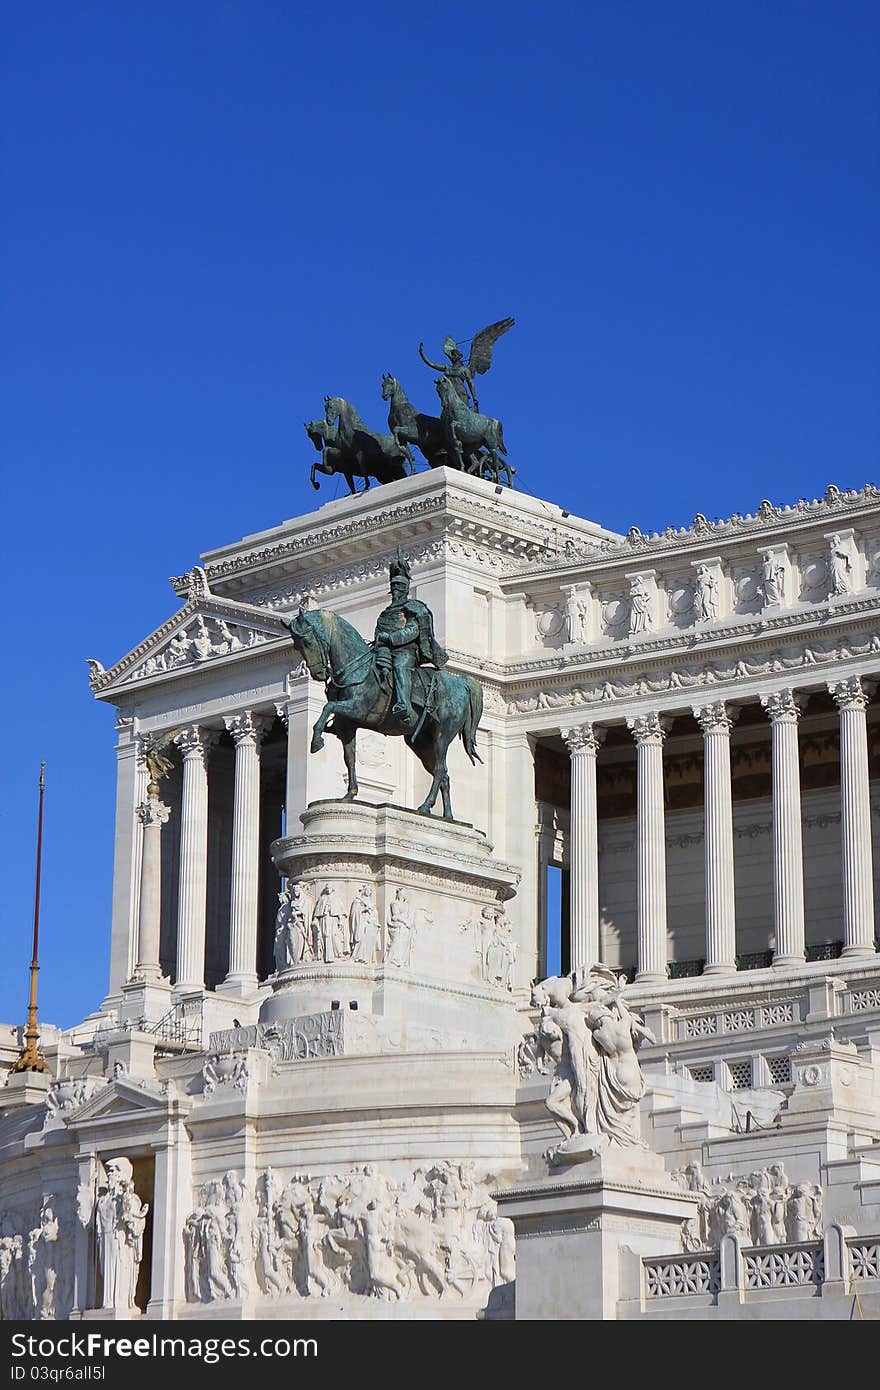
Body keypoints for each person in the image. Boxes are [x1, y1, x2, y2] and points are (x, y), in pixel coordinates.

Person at [373, 547, 447, 730]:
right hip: (385, 651)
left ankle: (403, 703)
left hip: (406, 652)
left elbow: (412, 631)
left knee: (399, 667)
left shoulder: (414, 607)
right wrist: (380, 644)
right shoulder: (385, 613)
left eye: (399, 587)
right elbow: (378, 633)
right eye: (393, 587)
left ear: (406, 588)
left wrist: (390, 638)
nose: (396, 590)